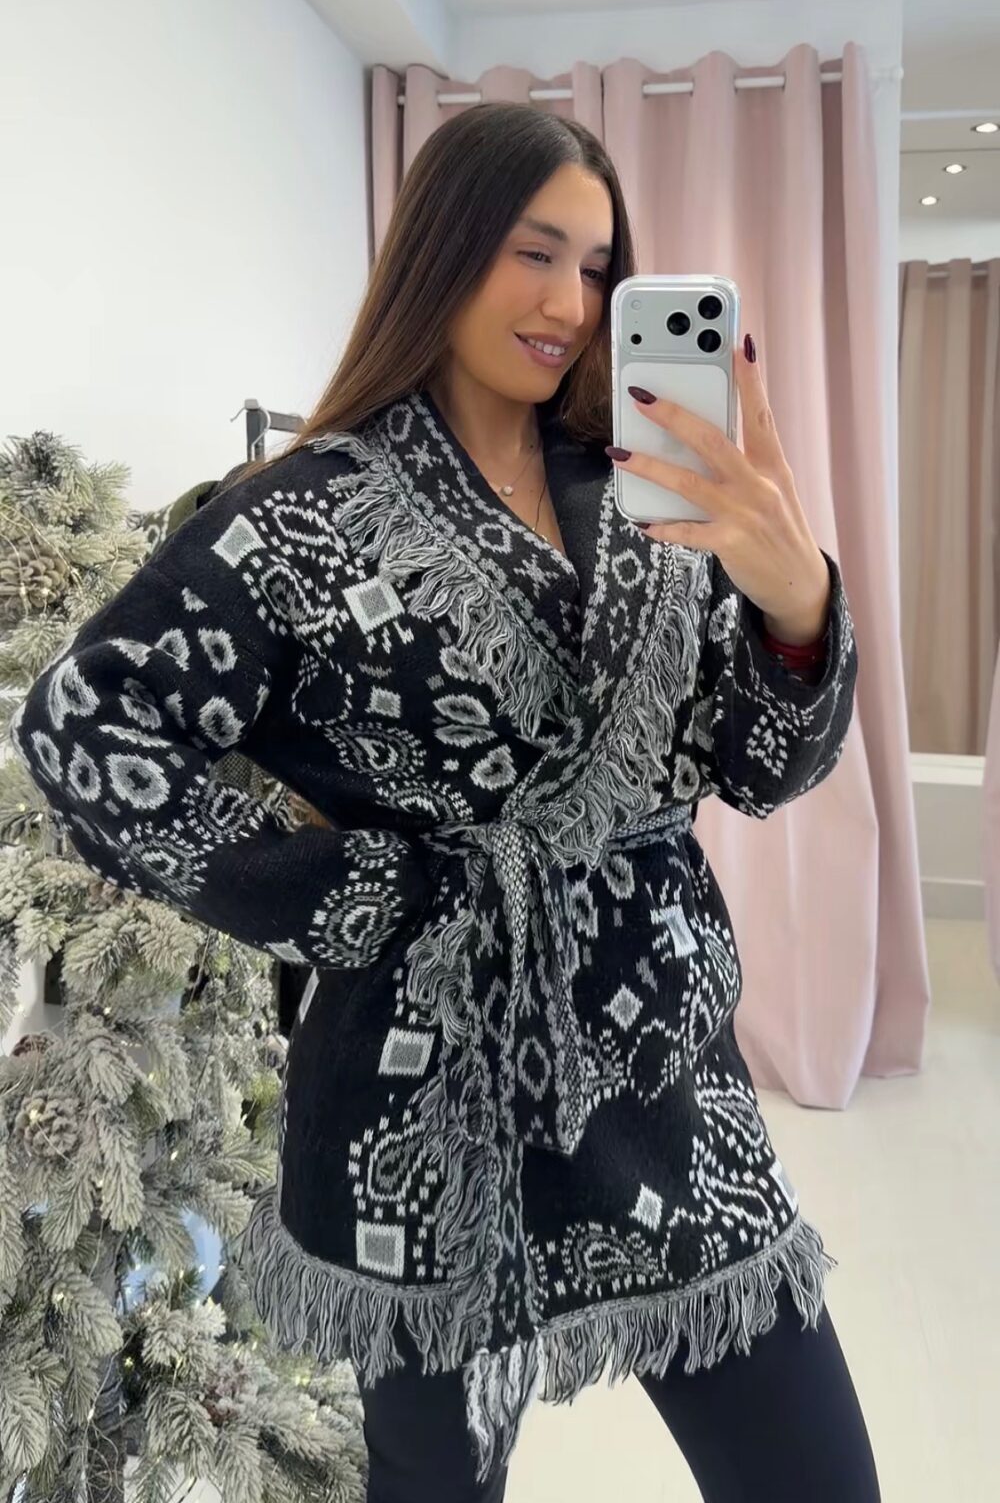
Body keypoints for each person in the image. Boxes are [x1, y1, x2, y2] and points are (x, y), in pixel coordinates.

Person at [13, 102, 880, 1503]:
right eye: (532, 253)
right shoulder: (305, 512)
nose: (569, 305)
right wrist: (342, 897)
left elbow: (763, 767)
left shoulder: (650, 487)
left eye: (596, 268)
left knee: (815, 1474)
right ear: (442, 249)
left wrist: (795, 600)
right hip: (418, 1088)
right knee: (434, 1486)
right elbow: (86, 718)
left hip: (660, 1070)